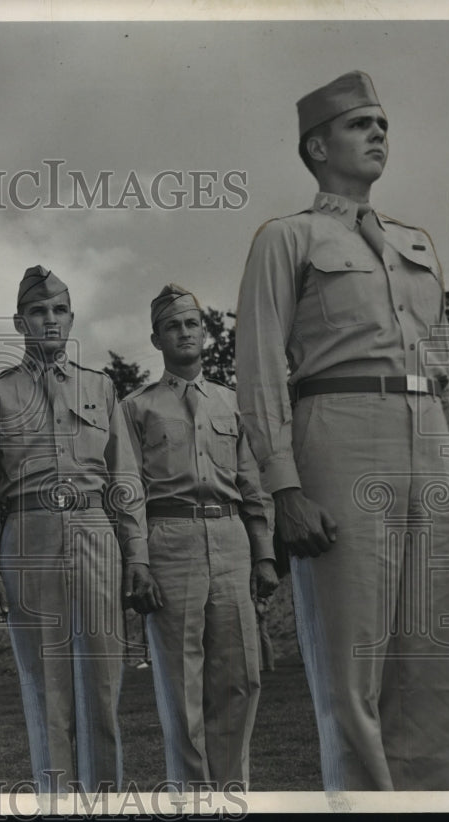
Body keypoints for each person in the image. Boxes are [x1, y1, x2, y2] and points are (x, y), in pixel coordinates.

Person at [235, 71, 449, 790]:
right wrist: (284, 486)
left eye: (383, 125)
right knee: (352, 671)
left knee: (434, 665)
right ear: (317, 147)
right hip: (338, 437)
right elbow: (257, 370)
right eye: (360, 124)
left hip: (426, 441)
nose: (379, 134)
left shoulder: (416, 244)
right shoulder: (288, 238)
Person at [0, 265, 160, 799]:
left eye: (59, 311)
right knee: (46, 688)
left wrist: (138, 555)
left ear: (72, 318)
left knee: (102, 687)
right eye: (38, 311)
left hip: (94, 530)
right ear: (19, 321)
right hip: (27, 533)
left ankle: (104, 802)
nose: (50, 320)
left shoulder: (100, 387)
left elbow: (125, 478)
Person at [121, 284, 278, 790]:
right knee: (180, 684)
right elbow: (128, 490)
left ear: (204, 332)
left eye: (191, 323)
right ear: (156, 337)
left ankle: (233, 793)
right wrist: (138, 559)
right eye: (173, 326)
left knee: (240, 678)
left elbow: (253, 486)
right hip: (171, 537)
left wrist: (264, 556)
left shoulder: (232, 404)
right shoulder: (137, 407)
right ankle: (191, 797)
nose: (184, 332)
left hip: (230, 537)